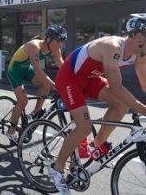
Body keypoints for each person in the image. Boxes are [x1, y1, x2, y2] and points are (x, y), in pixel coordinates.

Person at [49, 14, 146, 194]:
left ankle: (96, 146)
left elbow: (144, 84)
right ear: (139, 37)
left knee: (121, 105)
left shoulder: (140, 54)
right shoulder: (113, 47)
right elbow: (116, 86)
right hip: (70, 78)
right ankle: (56, 168)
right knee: (84, 127)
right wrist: (143, 109)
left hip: (91, 79)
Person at [5, 25, 67, 144]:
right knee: (23, 101)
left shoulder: (55, 50)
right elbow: (38, 70)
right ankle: (11, 130)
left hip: (26, 69)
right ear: (48, 39)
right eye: (58, 41)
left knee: (46, 85)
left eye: (62, 42)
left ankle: (34, 113)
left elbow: (64, 69)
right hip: (15, 70)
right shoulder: (34, 46)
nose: (60, 45)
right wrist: (55, 85)